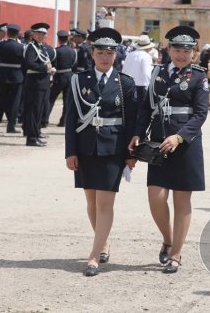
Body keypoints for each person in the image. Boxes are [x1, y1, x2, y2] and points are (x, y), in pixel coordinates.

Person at [128, 25, 209, 274]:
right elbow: (145, 107)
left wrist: (180, 137)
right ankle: (168, 238)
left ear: (194, 53)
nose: (182, 55)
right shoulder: (157, 73)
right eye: (177, 49)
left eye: (187, 50)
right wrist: (137, 133)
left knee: (181, 200)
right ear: (168, 49)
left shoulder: (198, 76)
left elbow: (200, 113)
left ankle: (176, 254)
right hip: (159, 142)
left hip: (186, 144)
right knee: (156, 197)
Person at [65, 27, 137, 277]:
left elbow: (132, 121)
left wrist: (131, 154)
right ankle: (103, 242)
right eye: (100, 52)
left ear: (116, 54)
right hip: (85, 149)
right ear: (91, 53)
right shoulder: (78, 80)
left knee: (105, 202)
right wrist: (70, 151)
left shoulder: (124, 83)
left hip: (113, 148)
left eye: (110, 52)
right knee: (91, 201)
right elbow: (71, 119)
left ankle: (94, 256)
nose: (105, 57)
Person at [23, 23, 56, 147]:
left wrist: (49, 69)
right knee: (33, 111)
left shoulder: (41, 48)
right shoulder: (31, 47)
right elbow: (29, 64)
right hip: (35, 83)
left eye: (44, 34)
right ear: (33, 34)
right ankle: (31, 138)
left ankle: (36, 134)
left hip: (42, 83)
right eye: (39, 34)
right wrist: (45, 68)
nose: (42, 36)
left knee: (39, 111)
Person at [0, 23, 24, 133]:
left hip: (2, 75)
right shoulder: (21, 47)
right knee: (14, 103)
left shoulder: (0, 45)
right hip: (16, 76)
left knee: (0, 102)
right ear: (17, 34)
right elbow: (24, 63)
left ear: (7, 33)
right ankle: (11, 126)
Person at [48, 30, 77, 127]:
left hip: (59, 77)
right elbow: (74, 64)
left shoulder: (56, 51)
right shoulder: (73, 51)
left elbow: (53, 64)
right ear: (67, 39)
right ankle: (63, 121)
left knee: (51, 98)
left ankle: (44, 119)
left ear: (59, 39)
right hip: (69, 76)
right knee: (66, 100)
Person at [121, 34, 155, 109]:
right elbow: (147, 74)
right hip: (141, 88)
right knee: (140, 112)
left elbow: (123, 71)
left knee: (129, 111)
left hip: (127, 86)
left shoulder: (129, 55)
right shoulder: (146, 56)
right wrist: (149, 89)